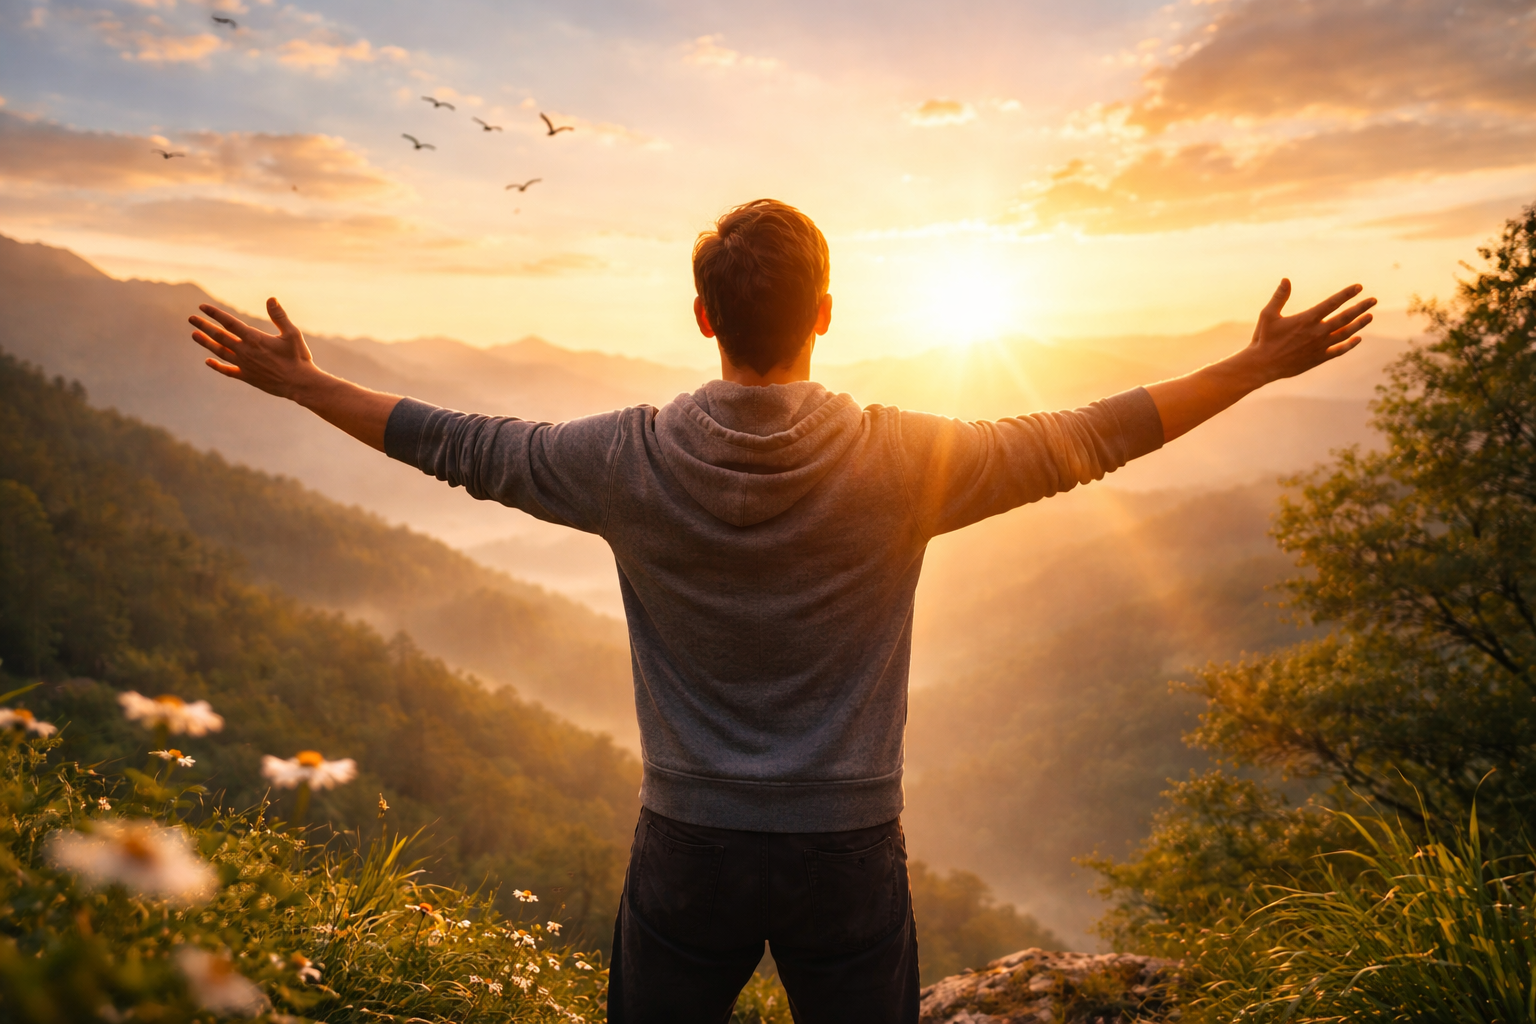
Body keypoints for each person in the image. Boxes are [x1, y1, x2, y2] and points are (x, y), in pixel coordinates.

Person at [187, 198, 1375, 1023]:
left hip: (687, 840)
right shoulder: (904, 458)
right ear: (824, 314)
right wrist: (1251, 366)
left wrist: (302, 383)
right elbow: (1086, 439)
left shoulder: (622, 458)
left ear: (703, 318)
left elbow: (454, 443)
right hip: (848, 847)